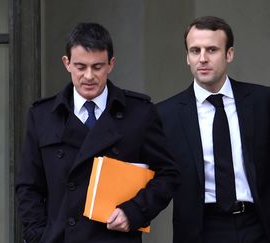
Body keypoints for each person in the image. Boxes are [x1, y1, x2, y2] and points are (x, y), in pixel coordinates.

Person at [16, 22, 180, 243]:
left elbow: (168, 175)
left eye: (97, 66)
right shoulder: (42, 116)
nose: (89, 76)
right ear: (67, 63)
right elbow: (28, 186)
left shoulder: (139, 113)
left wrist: (133, 212)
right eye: (81, 66)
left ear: (111, 64)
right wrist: (37, 235)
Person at [157, 16, 270, 243]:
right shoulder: (166, 114)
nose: (202, 59)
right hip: (200, 230)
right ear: (187, 58)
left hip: (258, 226)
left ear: (229, 54)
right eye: (195, 51)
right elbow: (157, 176)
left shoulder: (263, 101)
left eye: (211, 50)